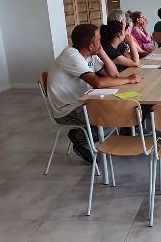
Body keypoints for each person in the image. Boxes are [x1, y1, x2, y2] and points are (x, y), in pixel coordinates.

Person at [47, 24, 141, 164]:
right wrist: (128, 79)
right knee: (113, 117)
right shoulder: (72, 56)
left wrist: (101, 52)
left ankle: (82, 136)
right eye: (99, 40)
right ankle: (81, 140)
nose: (101, 42)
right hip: (66, 109)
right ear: (90, 46)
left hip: (83, 101)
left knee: (116, 112)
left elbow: (114, 74)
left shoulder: (90, 54)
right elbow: (97, 83)